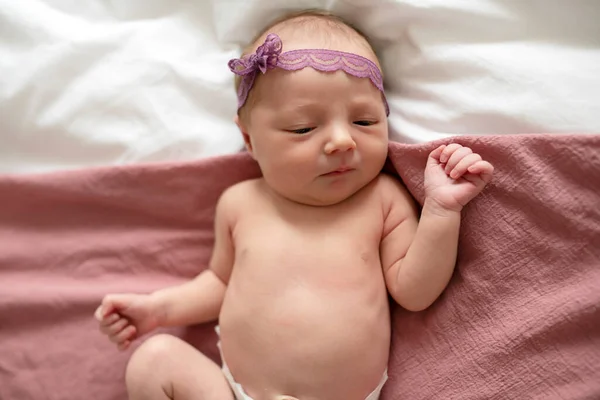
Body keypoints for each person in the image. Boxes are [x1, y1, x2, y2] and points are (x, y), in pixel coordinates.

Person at [95, 9, 494, 400]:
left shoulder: (381, 200)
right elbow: (220, 284)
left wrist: (441, 211)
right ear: (250, 140)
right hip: (233, 393)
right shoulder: (240, 203)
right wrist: (155, 311)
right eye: (304, 127)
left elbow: (414, 291)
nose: (343, 141)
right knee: (153, 359)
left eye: (365, 121)